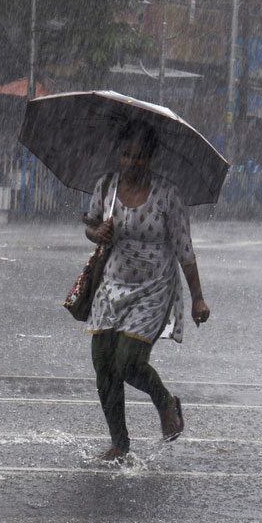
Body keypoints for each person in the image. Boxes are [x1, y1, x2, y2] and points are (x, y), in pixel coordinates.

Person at [83, 119, 211, 463]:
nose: (131, 162)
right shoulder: (107, 187)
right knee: (103, 363)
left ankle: (165, 402)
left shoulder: (168, 195)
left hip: (154, 288)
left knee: (128, 360)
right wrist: (99, 233)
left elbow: (185, 249)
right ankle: (119, 443)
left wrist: (197, 296)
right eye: (125, 154)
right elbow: (90, 224)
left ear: (151, 158)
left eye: (138, 156)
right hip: (113, 283)